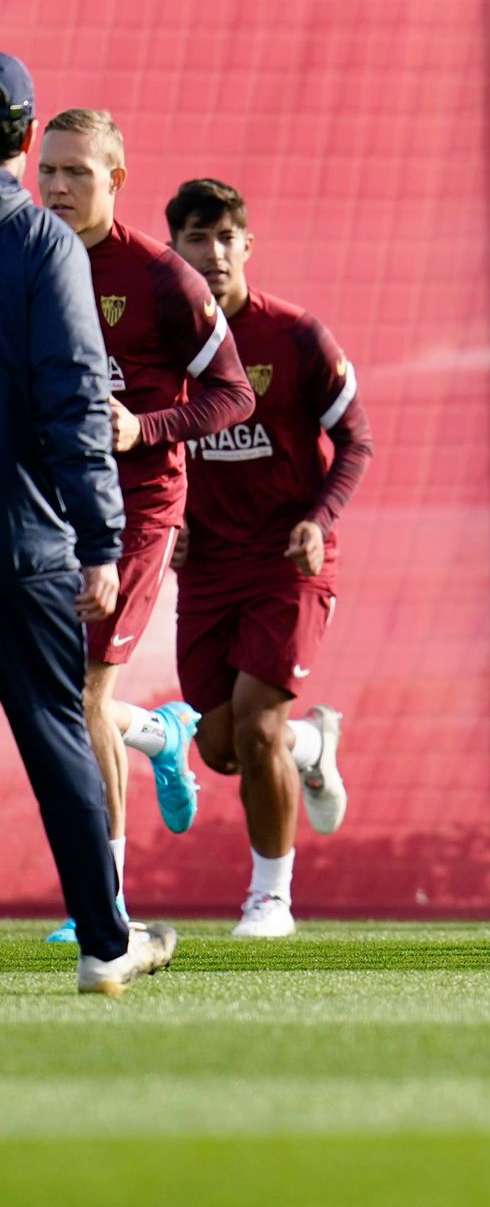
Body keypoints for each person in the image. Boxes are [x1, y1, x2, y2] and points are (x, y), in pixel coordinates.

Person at [38, 108, 255, 945]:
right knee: (54, 692)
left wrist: (146, 427)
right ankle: (162, 735)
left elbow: (234, 395)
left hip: (137, 511)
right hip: (49, 505)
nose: (57, 187)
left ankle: (106, 904)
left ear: (116, 180)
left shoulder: (164, 280)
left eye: (77, 173)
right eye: (48, 170)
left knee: (85, 693)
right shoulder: (23, 255)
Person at [0, 53, 176, 993]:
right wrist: (102, 541)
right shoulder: (40, 243)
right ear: (28, 141)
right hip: (21, 543)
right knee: (59, 731)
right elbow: (74, 400)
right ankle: (107, 944)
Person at [164, 179, 369, 938]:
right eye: (196, 240)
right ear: (174, 253)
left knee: (255, 726)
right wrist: (175, 522)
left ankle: (271, 900)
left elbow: (358, 440)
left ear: (248, 246)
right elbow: (157, 448)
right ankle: (314, 746)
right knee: (220, 747)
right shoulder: (162, 346)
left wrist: (321, 517)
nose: (213, 254)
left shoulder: (295, 336)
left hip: (290, 559)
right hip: (210, 566)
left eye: (226, 239)